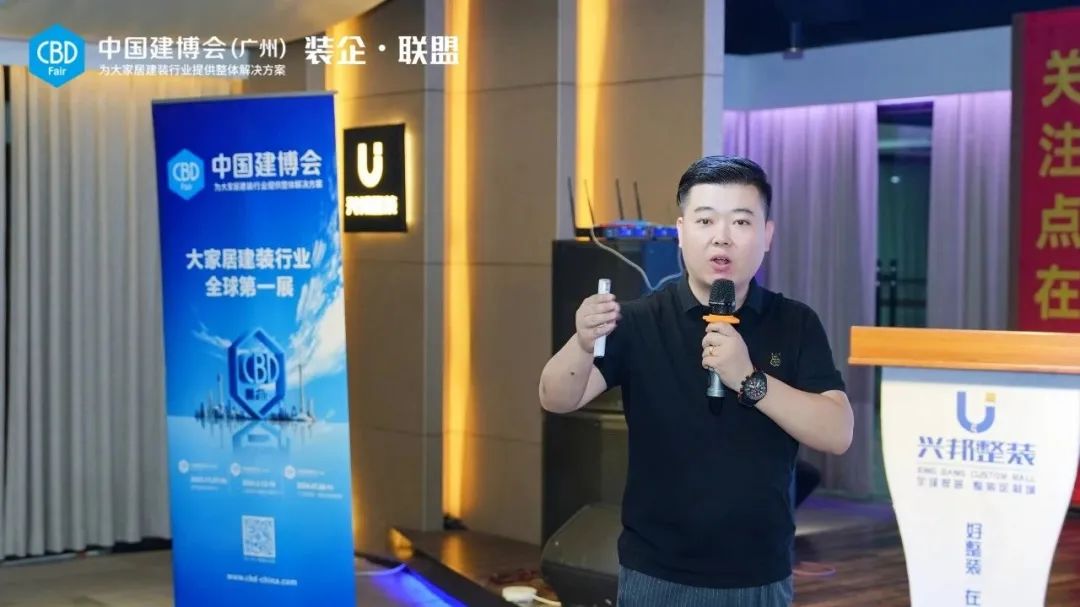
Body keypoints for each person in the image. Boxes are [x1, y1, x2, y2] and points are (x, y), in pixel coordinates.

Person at [538, 155, 853, 606]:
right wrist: (583, 342)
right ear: (682, 232)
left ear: (767, 235)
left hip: (758, 575)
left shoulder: (795, 323)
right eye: (706, 221)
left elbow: (838, 432)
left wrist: (749, 378)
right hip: (656, 573)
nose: (722, 236)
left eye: (741, 222)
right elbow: (555, 397)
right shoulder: (641, 320)